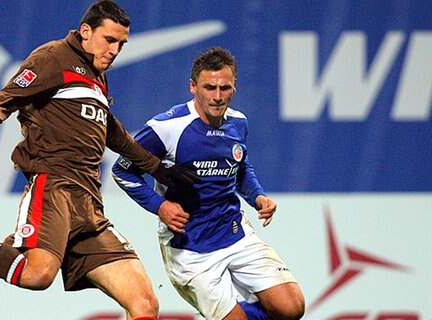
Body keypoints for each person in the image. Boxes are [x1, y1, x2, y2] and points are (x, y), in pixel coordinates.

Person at [0, 1, 198, 319]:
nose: (114, 50)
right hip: (53, 187)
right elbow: (11, 94)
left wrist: (159, 169)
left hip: (89, 204)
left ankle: (16, 246)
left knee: (144, 303)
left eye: (121, 44)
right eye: (109, 40)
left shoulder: (97, 75)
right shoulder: (54, 57)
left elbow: (113, 132)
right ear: (86, 31)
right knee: (37, 275)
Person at [111, 47, 305, 320]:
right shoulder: (167, 128)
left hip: (234, 233)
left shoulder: (238, 122)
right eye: (209, 87)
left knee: (291, 308)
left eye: (224, 88)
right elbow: (122, 171)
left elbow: (239, 165)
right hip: (189, 247)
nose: (217, 96)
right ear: (193, 86)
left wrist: (257, 197)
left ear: (234, 87)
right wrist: (160, 206)